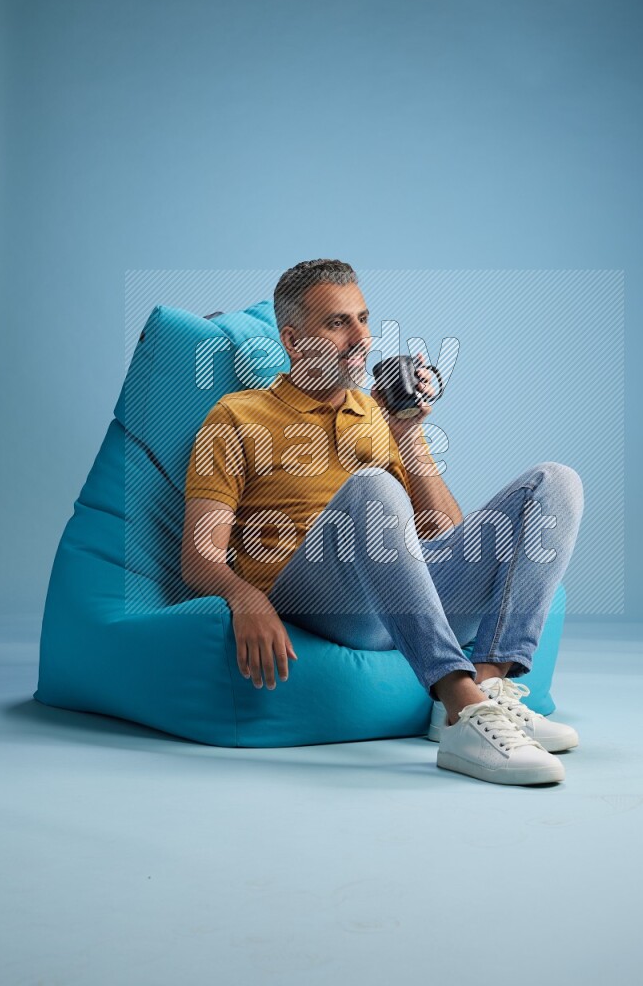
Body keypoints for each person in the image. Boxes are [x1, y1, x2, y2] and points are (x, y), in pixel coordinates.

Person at [180, 259, 585, 786]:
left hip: (395, 596)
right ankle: (461, 707)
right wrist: (246, 597)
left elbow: (444, 534)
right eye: (337, 324)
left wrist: (408, 435)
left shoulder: (375, 415)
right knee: (374, 487)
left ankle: (484, 692)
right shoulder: (236, 415)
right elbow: (198, 555)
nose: (361, 339)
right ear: (294, 340)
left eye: (364, 319)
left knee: (554, 482)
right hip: (318, 597)